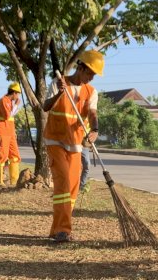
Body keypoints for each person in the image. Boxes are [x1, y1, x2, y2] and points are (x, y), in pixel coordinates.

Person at [43, 50, 103, 243]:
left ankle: (57, 228)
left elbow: (92, 113)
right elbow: (45, 107)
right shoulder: (58, 83)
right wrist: (60, 93)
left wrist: (94, 130)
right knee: (62, 184)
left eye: (94, 75)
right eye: (90, 73)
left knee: (73, 188)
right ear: (81, 67)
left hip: (75, 143)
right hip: (55, 140)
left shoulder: (91, 91)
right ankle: (63, 230)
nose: (91, 78)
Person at [0, 82, 22, 187]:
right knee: (2, 155)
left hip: (10, 132)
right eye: (18, 94)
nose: (18, 96)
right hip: (3, 132)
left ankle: (14, 181)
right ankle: (0, 181)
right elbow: (7, 115)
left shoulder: (9, 101)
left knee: (15, 155)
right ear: (13, 93)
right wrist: (17, 105)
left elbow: (10, 116)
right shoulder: (4, 100)